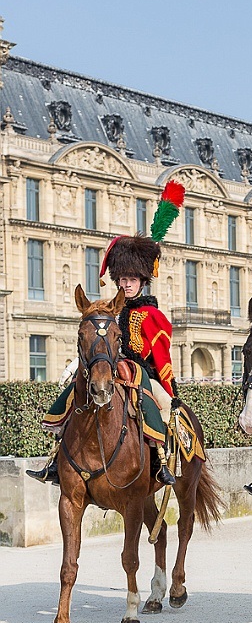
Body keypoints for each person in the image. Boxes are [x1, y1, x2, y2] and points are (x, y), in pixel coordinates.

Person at [27, 181, 185, 487]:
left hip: (141, 369)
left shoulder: (152, 315)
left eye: (131, 280)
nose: (126, 285)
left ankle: (161, 462)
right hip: (106, 363)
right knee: (77, 390)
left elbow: (162, 357)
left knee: (157, 406)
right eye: (122, 279)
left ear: (142, 282)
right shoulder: (109, 311)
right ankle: (56, 460)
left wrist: (169, 387)